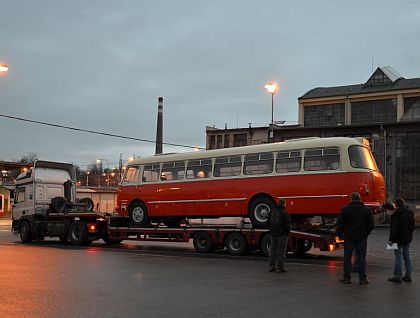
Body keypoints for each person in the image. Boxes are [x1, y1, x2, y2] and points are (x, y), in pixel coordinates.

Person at [336, 192, 374, 285]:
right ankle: (362, 278)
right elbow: (371, 224)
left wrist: (340, 234)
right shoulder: (366, 210)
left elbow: (340, 224)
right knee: (361, 258)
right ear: (360, 199)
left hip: (349, 237)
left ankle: (347, 277)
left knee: (347, 258)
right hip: (361, 237)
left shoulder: (345, 210)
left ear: (351, 199)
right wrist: (366, 233)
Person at [388, 198, 415, 283]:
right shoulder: (410, 213)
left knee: (398, 258)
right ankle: (408, 275)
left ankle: (397, 276)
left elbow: (394, 229)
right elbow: (412, 225)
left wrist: (391, 239)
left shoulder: (396, 214)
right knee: (407, 257)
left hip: (398, 240)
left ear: (396, 205)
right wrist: (409, 234)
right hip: (407, 238)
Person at [268, 199, 291, 273]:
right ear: (284, 204)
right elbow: (287, 223)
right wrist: (287, 232)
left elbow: (268, 221)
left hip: (273, 233)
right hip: (282, 234)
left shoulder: (272, 211)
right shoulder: (284, 212)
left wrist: (271, 230)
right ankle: (280, 267)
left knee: (272, 250)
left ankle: (272, 266)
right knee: (280, 251)